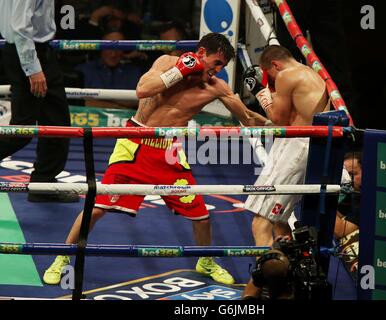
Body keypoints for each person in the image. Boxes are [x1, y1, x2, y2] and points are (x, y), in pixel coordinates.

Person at [43, 32, 268, 285]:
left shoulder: (216, 88)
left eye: (222, 67)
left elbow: (248, 118)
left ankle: (205, 260)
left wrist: (267, 101)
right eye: (216, 63)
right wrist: (180, 71)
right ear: (201, 53)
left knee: (201, 214)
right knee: (97, 208)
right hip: (135, 143)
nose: (217, 71)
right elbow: (142, 90)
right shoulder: (166, 63)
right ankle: (62, 256)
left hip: (169, 151)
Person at [243, 45, 330, 247]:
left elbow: (279, 120)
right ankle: (289, 271)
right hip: (307, 146)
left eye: (270, 76)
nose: (272, 81)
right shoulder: (310, 73)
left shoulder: (286, 75)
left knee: (260, 223)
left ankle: (263, 278)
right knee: (280, 221)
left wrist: (260, 92)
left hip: (295, 148)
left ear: (275, 65)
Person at [0, 0, 78, 202]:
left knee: (57, 121)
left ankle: (43, 183)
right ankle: (43, 182)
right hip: (28, 52)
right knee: (21, 130)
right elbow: (20, 26)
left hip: (37, 51)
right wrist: (32, 68)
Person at [76, 29, 143, 109]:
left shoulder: (134, 72)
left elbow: (139, 102)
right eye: (109, 47)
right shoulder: (84, 70)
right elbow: (83, 102)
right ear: (100, 47)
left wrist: (100, 101)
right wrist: (121, 106)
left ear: (124, 49)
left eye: (119, 48)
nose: (113, 54)